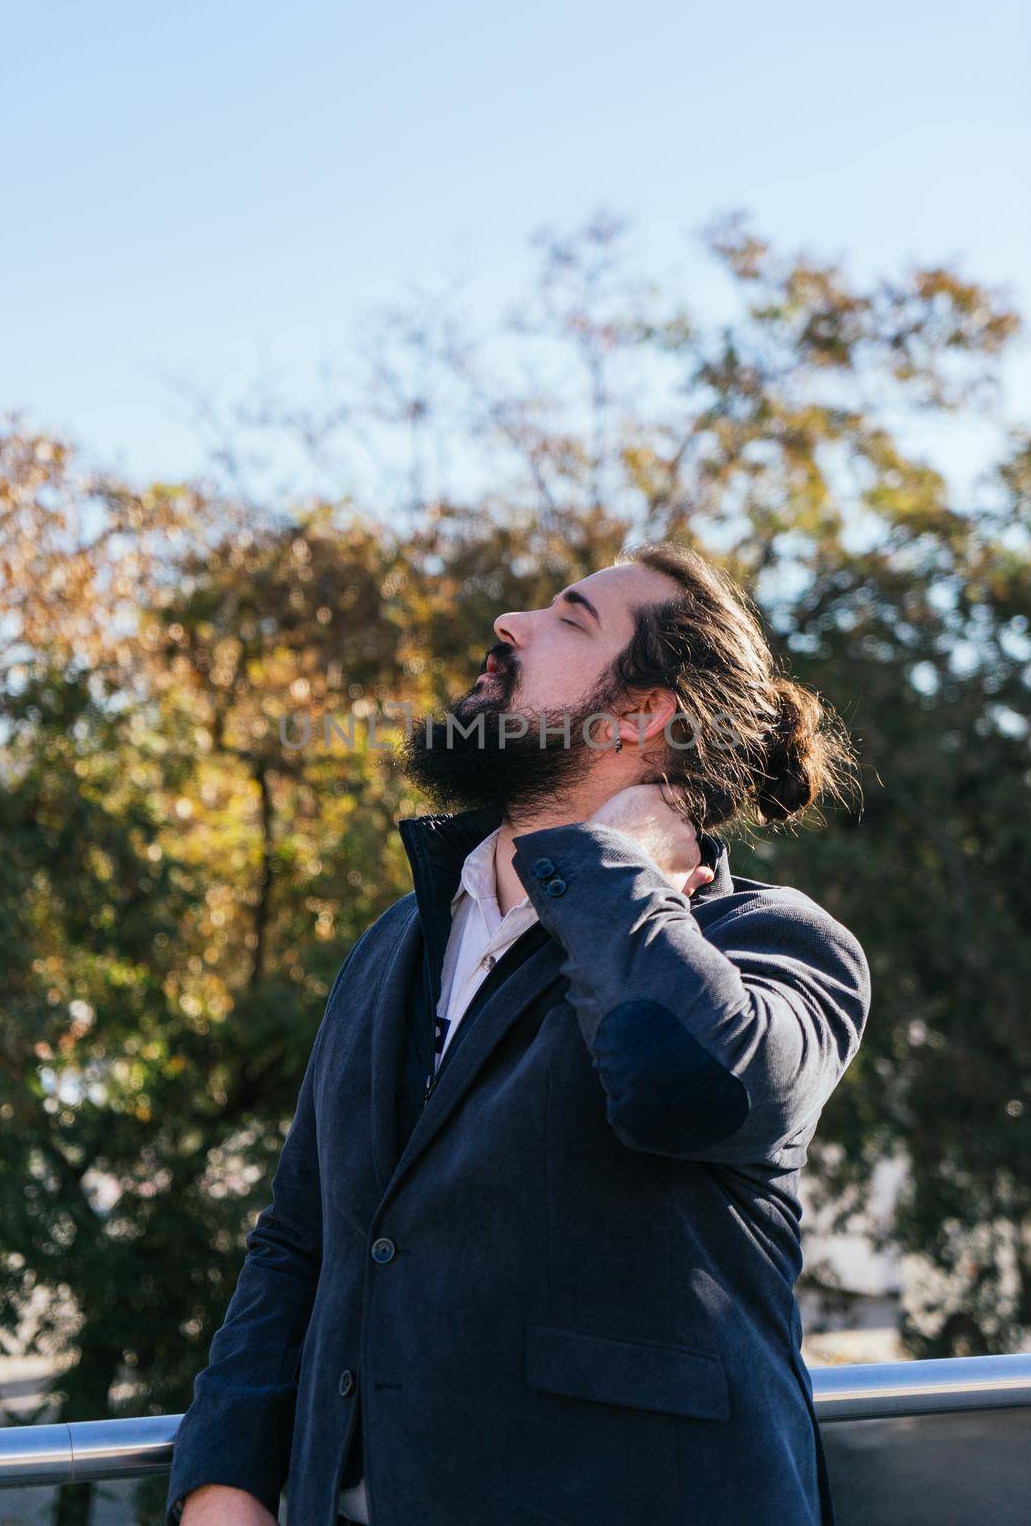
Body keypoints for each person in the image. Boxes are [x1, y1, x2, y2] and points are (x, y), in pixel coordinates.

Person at [166, 540, 870, 1526]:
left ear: (637, 714)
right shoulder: (393, 945)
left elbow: (688, 1083)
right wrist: (224, 1475)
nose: (510, 625)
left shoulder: (774, 942)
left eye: (568, 619)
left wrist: (604, 861)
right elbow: (301, 1235)